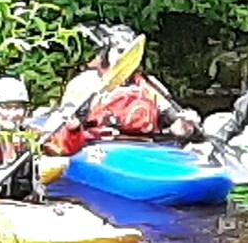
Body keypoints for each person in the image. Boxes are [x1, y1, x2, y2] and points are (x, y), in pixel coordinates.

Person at [46, 23, 201, 155]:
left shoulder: (148, 85)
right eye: (120, 51)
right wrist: (71, 123)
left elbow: (174, 123)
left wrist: (185, 126)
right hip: (98, 149)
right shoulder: (85, 83)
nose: (125, 57)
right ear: (106, 53)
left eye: (129, 52)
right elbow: (65, 127)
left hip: (145, 150)